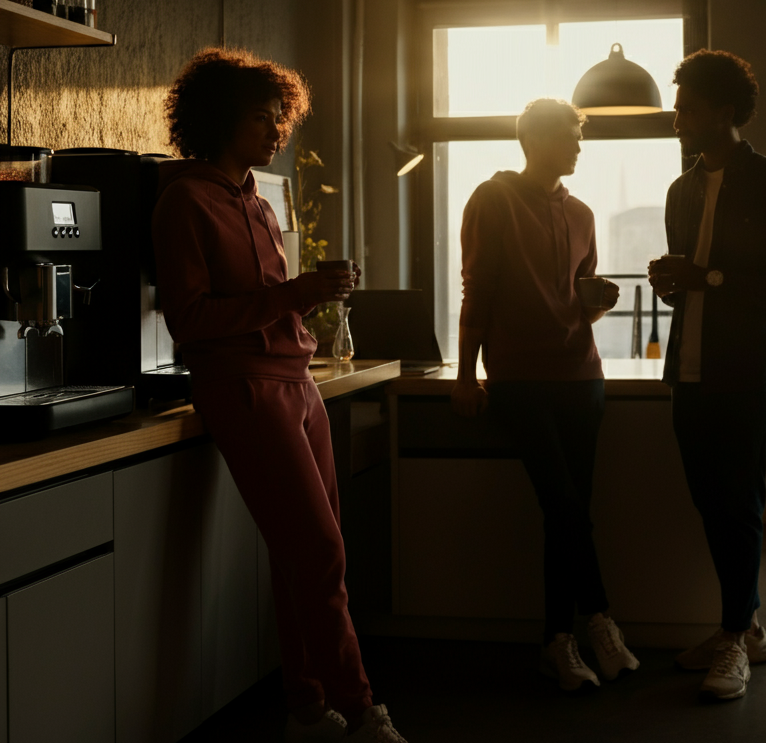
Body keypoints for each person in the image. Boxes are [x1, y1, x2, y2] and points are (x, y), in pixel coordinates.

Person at [152, 47, 409, 743]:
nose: (276, 132)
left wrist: (317, 301)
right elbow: (191, 320)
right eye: (262, 119)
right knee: (319, 551)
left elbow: (273, 305)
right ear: (218, 120)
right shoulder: (185, 200)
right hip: (242, 388)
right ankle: (361, 712)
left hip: (296, 384)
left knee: (307, 552)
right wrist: (293, 294)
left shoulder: (260, 202)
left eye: (280, 119)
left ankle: (306, 707)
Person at [451, 97, 639, 693]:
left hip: (582, 379)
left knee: (569, 514)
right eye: (568, 136)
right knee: (565, 508)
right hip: (520, 380)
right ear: (531, 140)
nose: (578, 147)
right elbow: (477, 290)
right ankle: (600, 621)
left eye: (579, 138)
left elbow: (576, 302)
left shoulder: (582, 212)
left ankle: (558, 642)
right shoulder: (493, 199)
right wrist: (464, 376)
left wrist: (597, 303)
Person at [648, 50, 766, 702]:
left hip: (747, 373)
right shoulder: (680, 190)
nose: (677, 118)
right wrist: (672, 284)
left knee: (739, 507)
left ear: (722, 111)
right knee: (712, 505)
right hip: (687, 371)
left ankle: (734, 637)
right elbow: (688, 285)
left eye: (686, 107)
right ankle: (743, 629)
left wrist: (707, 278)